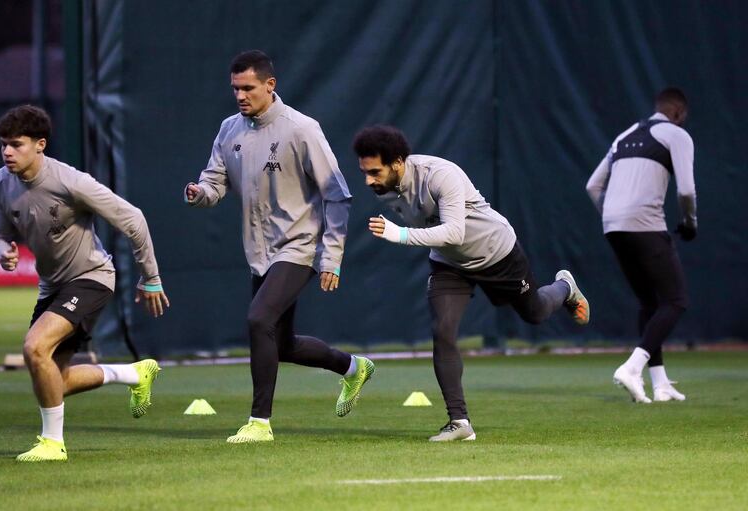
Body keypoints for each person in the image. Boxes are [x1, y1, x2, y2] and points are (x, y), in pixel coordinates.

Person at [352, 125, 589, 441]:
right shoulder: (384, 188)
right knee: (442, 330)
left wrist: (401, 234)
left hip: (498, 254)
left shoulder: (440, 175)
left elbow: (454, 232)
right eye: (365, 172)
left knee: (535, 313)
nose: (368, 180)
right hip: (450, 264)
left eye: (374, 171)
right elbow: (445, 241)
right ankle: (460, 422)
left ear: (397, 163)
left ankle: (565, 287)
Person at [184, 50, 373, 443]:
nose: (240, 95)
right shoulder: (228, 129)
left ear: (270, 85)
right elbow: (214, 182)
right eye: (235, 88)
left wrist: (331, 257)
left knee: (258, 320)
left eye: (248, 87)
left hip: (298, 246)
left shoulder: (301, 129)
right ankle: (354, 368)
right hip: (259, 252)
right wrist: (199, 192)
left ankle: (259, 423)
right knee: (281, 343)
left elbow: (337, 196)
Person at [0, 105, 170, 462]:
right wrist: (1, 252)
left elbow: (133, 219)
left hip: (91, 278)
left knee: (34, 347)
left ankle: (53, 444)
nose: (7, 152)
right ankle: (133, 373)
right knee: (52, 379)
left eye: (16, 144)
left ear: (40, 144)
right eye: (3, 145)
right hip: (52, 286)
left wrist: (151, 277)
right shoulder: (0, 182)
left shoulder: (70, 181)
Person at [586, 87, 696, 404]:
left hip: (612, 226)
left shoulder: (624, 136)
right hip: (645, 225)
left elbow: (592, 185)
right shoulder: (676, 135)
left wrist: (613, 214)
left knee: (649, 303)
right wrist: (690, 222)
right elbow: (686, 191)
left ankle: (660, 384)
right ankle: (632, 368)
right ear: (678, 113)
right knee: (676, 301)